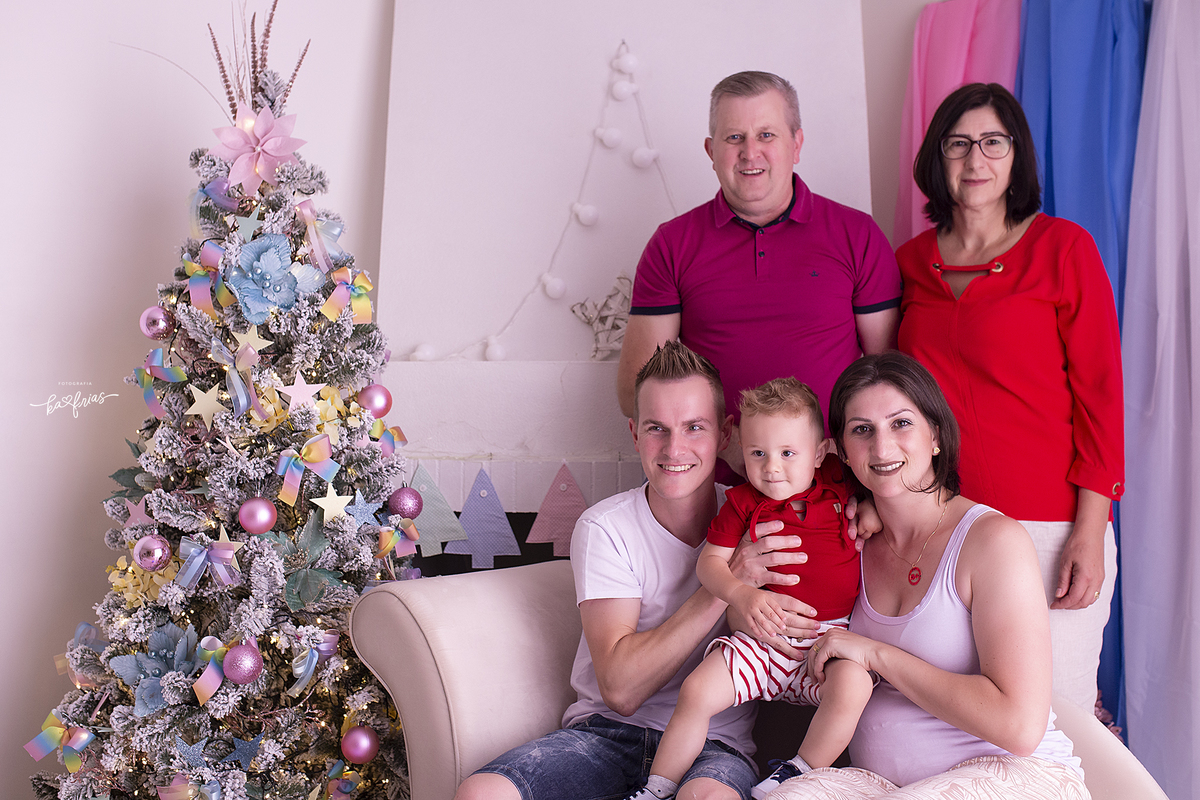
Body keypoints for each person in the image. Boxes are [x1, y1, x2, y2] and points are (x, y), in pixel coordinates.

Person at [454, 341, 821, 800]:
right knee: (482, 793)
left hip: (715, 744)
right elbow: (621, 690)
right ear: (634, 434)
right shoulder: (607, 527)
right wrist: (727, 582)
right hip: (606, 735)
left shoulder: (765, 523)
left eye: (694, 427)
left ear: (726, 435)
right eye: (656, 429)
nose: (674, 448)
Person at [765, 352, 1088, 798]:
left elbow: (1019, 727)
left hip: (1015, 774)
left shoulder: (992, 541)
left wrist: (877, 655)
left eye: (901, 424)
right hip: (887, 784)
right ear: (839, 450)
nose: (881, 448)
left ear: (935, 434)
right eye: (862, 430)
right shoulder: (847, 539)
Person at [895, 82, 1123, 711]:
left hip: (1049, 527)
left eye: (993, 142)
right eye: (959, 143)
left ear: (1017, 154)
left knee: (1058, 717)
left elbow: (1102, 394)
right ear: (937, 159)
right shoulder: (909, 264)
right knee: (962, 722)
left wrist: (1090, 528)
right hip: (945, 525)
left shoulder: (1063, 249)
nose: (976, 160)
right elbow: (889, 398)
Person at [617, 70, 902, 477]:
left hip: (834, 487)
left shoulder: (858, 235)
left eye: (766, 135)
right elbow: (636, 387)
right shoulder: (671, 244)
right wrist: (722, 447)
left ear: (796, 143)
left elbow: (890, 377)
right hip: (715, 488)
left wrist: (871, 478)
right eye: (734, 138)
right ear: (711, 149)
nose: (750, 153)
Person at [624, 378, 872, 800]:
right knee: (697, 691)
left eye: (788, 453)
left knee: (855, 685)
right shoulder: (742, 502)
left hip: (827, 640)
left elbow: (875, 495)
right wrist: (743, 595)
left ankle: (797, 772)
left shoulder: (839, 484)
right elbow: (710, 563)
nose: (771, 467)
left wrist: (871, 511)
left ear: (819, 453)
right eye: (758, 453)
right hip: (760, 641)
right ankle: (657, 788)